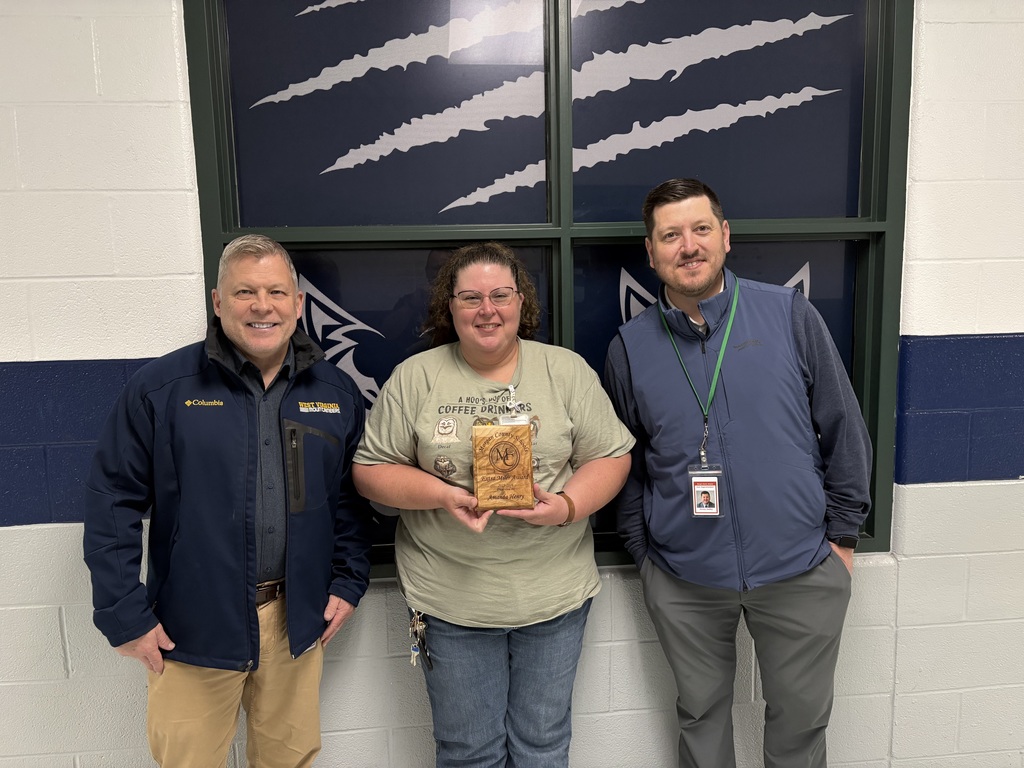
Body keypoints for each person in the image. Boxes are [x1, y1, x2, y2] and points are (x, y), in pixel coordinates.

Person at [603, 179, 871, 768]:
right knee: (700, 722)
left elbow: (843, 427)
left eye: (701, 229)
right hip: (684, 579)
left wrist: (842, 541)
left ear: (725, 237)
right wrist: (644, 555)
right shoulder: (630, 347)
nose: (688, 246)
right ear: (651, 253)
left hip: (799, 568)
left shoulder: (788, 315)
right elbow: (625, 462)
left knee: (800, 727)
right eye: (670, 235)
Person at [83, 234, 374, 767]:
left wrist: (349, 581)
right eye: (244, 292)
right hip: (190, 629)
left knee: (288, 761)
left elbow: (347, 500)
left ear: (297, 303)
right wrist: (124, 614)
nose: (262, 306)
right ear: (218, 302)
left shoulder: (335, 393)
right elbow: (112, 501)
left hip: (295, 623)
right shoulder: (161, 389)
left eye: (276, 292)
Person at [352, 241, 634, 768]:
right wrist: (442, 494)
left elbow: (612, 455)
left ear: (522, 303)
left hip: (554, 597)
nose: (488, 310)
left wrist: (567, 506)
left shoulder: (564, 371)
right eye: (471, 298)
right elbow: (370, 472)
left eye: (501, 295)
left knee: (543, 748)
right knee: (468, 753)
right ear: (449, 307)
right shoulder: (417, 378)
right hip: (450, 600)